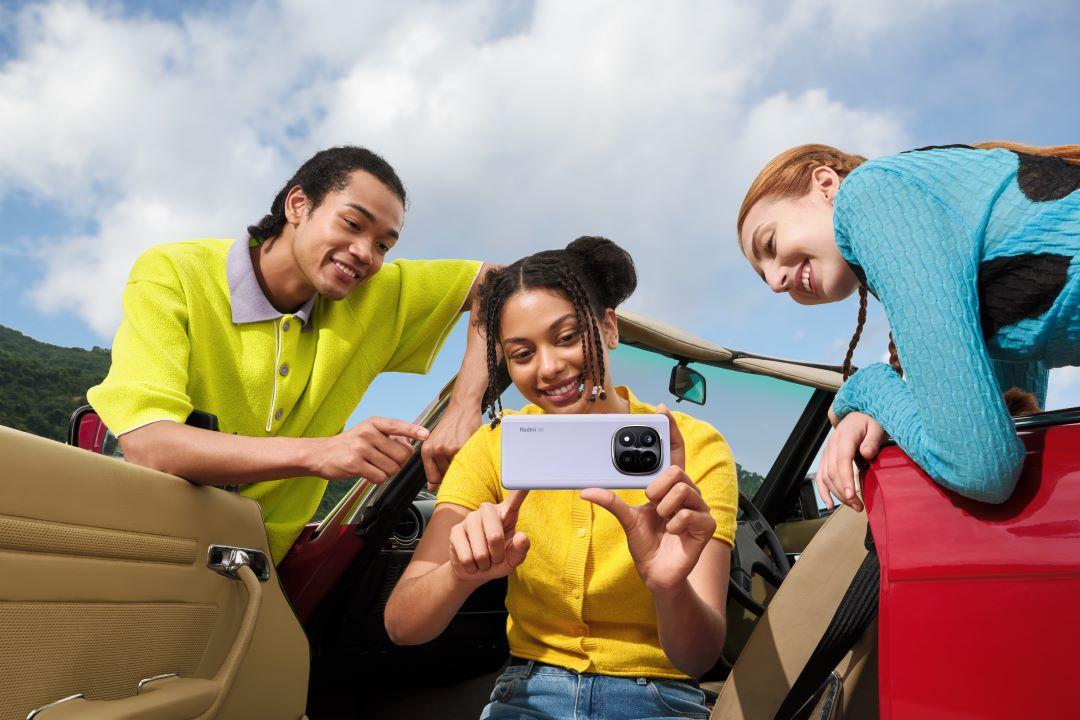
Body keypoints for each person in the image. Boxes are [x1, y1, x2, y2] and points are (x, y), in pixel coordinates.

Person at [384, 237, 737, 720]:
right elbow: (403, 625)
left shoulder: (696, 448)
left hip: (659, 697)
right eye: (522, 353)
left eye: (567, 337)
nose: (548, 368)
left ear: (608, 327)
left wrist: (668, 587)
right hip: (527, 694)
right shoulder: (492, 447)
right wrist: (459, 575)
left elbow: (697, 657)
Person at [88, 146, 493, 563]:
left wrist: (464, 407)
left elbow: (498, 282)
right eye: (352, 224)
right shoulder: (174, 272)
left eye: (383, 245)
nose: (365, 254)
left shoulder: (372, 295)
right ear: (298, 205)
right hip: (149, 550)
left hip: (258, 566)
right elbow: (148, 444)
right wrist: (322, 453)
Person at [737, 142, 1080, 510]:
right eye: (764, 278)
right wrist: (881, 412)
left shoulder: (870, 193)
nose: (776, 282)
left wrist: (865, 388)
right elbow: (1015, 424)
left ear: (825, 184)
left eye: (769, 244)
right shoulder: (949, 226)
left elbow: (981, 468)